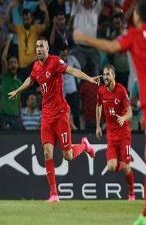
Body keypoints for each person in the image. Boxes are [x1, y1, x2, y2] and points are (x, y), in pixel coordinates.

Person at [73, 0, 146, 224]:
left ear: (137, 16)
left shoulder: (135, 36)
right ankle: (145, 214)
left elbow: (110, 47)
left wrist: (84, 38)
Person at [8, 38, 98, 202]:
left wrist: (88, 78)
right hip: (47, 116)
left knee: (68, 156)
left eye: (41, 46)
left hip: (61, 114)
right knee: (47, 152)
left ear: (48, 49)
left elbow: (72, 71)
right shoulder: (36, 66)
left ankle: (85, 146)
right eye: (37, 47)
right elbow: (30, 79)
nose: (39, 49)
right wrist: (17, 91)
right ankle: (54, 194)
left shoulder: (55, 61)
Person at [96, 64, 135, 201]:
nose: (105, 77)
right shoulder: (101, 91)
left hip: (124, 134)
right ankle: (124, 160)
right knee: (111, 167)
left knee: (126, 167)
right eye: (104, 74)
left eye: (107, 74)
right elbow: (99, 105)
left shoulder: (121, 90)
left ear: (114, 75)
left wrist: (123, 118)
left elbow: (130, 112)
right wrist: (98, 126)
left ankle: (131, 193)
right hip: (111, 135)